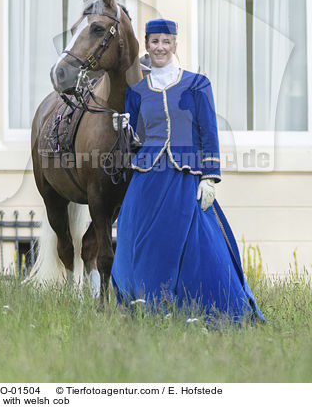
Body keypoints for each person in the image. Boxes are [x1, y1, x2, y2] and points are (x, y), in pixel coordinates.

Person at [111, 18, 264, 322]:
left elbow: (209, 132)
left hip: (184, 178)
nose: (160, 47)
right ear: (147, 44)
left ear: (175, 45)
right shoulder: (137, 91)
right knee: (138, 241)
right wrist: (124, 132)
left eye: (166, 42)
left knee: (201, 247)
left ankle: (203, 310)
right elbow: (137, 140)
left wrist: (210, 176)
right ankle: (148, 308)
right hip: (148, 180)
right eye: (154, 41)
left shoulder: (197, 84)